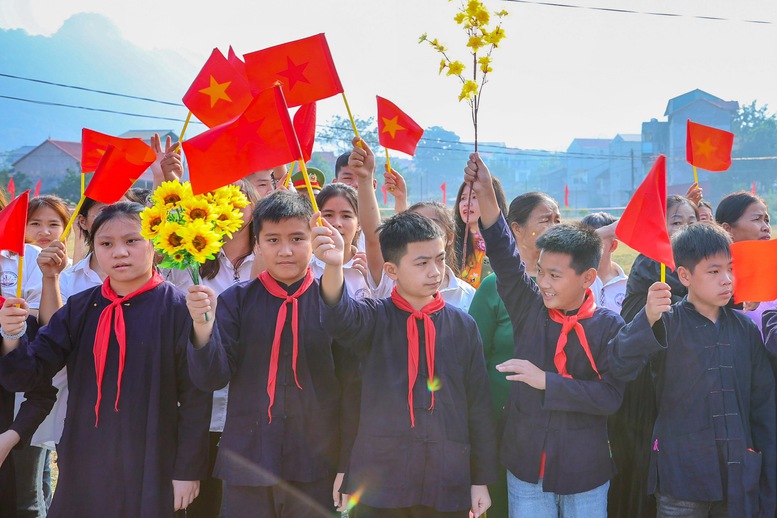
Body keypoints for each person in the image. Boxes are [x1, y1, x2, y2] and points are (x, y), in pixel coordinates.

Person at [0, 202, 212, 517]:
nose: (119, 252)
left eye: (132, 240)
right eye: (106, 244)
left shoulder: (179, 309)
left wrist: (187, 469)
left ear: (154, 244)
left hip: (152, 458)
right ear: (94, 248)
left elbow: (197, 395)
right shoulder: (80, 308)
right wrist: (11, 336)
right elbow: (27, 375)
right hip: (85, 454)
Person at [465, 153, 625, 517]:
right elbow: (504, 255)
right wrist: (487, 192)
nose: (544, 283)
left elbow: (610, 398)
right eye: (540, 272)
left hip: (585, 471)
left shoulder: (607, 325)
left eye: (555, 275)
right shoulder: (528, 308)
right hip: (526, 469)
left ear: (586, 278)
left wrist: (545, 382)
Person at [316, 206, 498, 517]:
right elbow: (338, 316)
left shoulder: (463, 326)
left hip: (447, 476)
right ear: (391, 270)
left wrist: (479, 479)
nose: (435, 271)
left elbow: (478, 406)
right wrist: (334, 266)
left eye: (440, 259)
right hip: (381, 479)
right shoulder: (373, 318)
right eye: (422, 263)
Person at [186, 190, 347, 517]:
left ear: (314, 241)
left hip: (317, 461)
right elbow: (211, 377)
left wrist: (347, 462)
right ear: (256, 244)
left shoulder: (335, 304)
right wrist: (202, 328)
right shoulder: (236, 301)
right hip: (249, 459)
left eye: (297, 238)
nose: (285, 250)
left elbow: (351, 386)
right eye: (272, 240)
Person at [609, 222, 776, 517]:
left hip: (738, 475)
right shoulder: (665, 323)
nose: (726, 280)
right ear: (684, 275)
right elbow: (620, 365)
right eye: (714, 271)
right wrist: (645, 318)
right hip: (681, 479)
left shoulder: (745, 329)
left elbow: (764, 408)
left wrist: (768, 477)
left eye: (730, 269)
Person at [163, 180, 259, 518]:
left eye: (240, 199)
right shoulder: (188, 259)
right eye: (219, 199)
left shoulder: (270, 258)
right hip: (199, 407)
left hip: (250, 410)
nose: (231, 206)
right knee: (199, 504)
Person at [467, 191, 561, 517]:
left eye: (558, 220)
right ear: (516, 230)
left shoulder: (570, 287)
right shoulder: (493, 287)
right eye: (545, 220)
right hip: (498, 423)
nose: (555, 226)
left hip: (552, 426)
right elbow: (473, 359)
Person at [609, 193, 698, 518]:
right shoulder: (652, 265)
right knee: (644, 473)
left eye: (692, 221)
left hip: (686, 390)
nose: (685, 229)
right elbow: (636, 321)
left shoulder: (702, 265)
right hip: (648, 390)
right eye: (676, 222)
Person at [0, 311, 57, 518]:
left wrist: (8, 439)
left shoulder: (14, 320)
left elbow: (42, 395)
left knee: (26, 504)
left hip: (7, 462)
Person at [453, 178, 507, 289]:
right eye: (463, 198)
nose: (467, 204)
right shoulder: (451, 243)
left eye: (474, 197)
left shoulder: (507, 244)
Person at [581, 212, 628, 315]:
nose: (590, 246)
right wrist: (609, 230)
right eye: (586, 238)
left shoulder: (627, 285)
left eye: (598, 241)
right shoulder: (576, 279)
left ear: (613, 246)